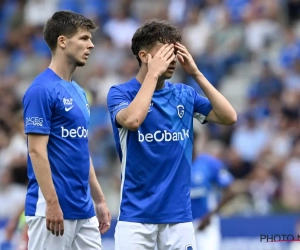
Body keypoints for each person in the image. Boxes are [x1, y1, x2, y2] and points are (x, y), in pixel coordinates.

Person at [107, 19, 237, 250]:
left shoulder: (184, 94)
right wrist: (152, 76)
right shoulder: (120, 93)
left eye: (175, 51)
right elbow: (133, 120)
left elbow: (229, 117)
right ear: (145, 56)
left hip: (179, 218)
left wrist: (196, 73)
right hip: (135, 218)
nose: (173, 58)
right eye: (166, 52)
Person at [23, 11, 111, 250]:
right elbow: (36, 152)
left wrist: (99, 200)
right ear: (62, 41)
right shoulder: (41, 90)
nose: (91, 45)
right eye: (83, 38)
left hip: (83, 210)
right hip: (51, 210)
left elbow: (82, 150)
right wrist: (52, 203)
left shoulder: (80, 93)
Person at [190, 133, 238, 250]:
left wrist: (209, 216)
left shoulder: (209, 163)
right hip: (181, 225)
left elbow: (231, 191)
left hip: (205, 225)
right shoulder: (174, 165)